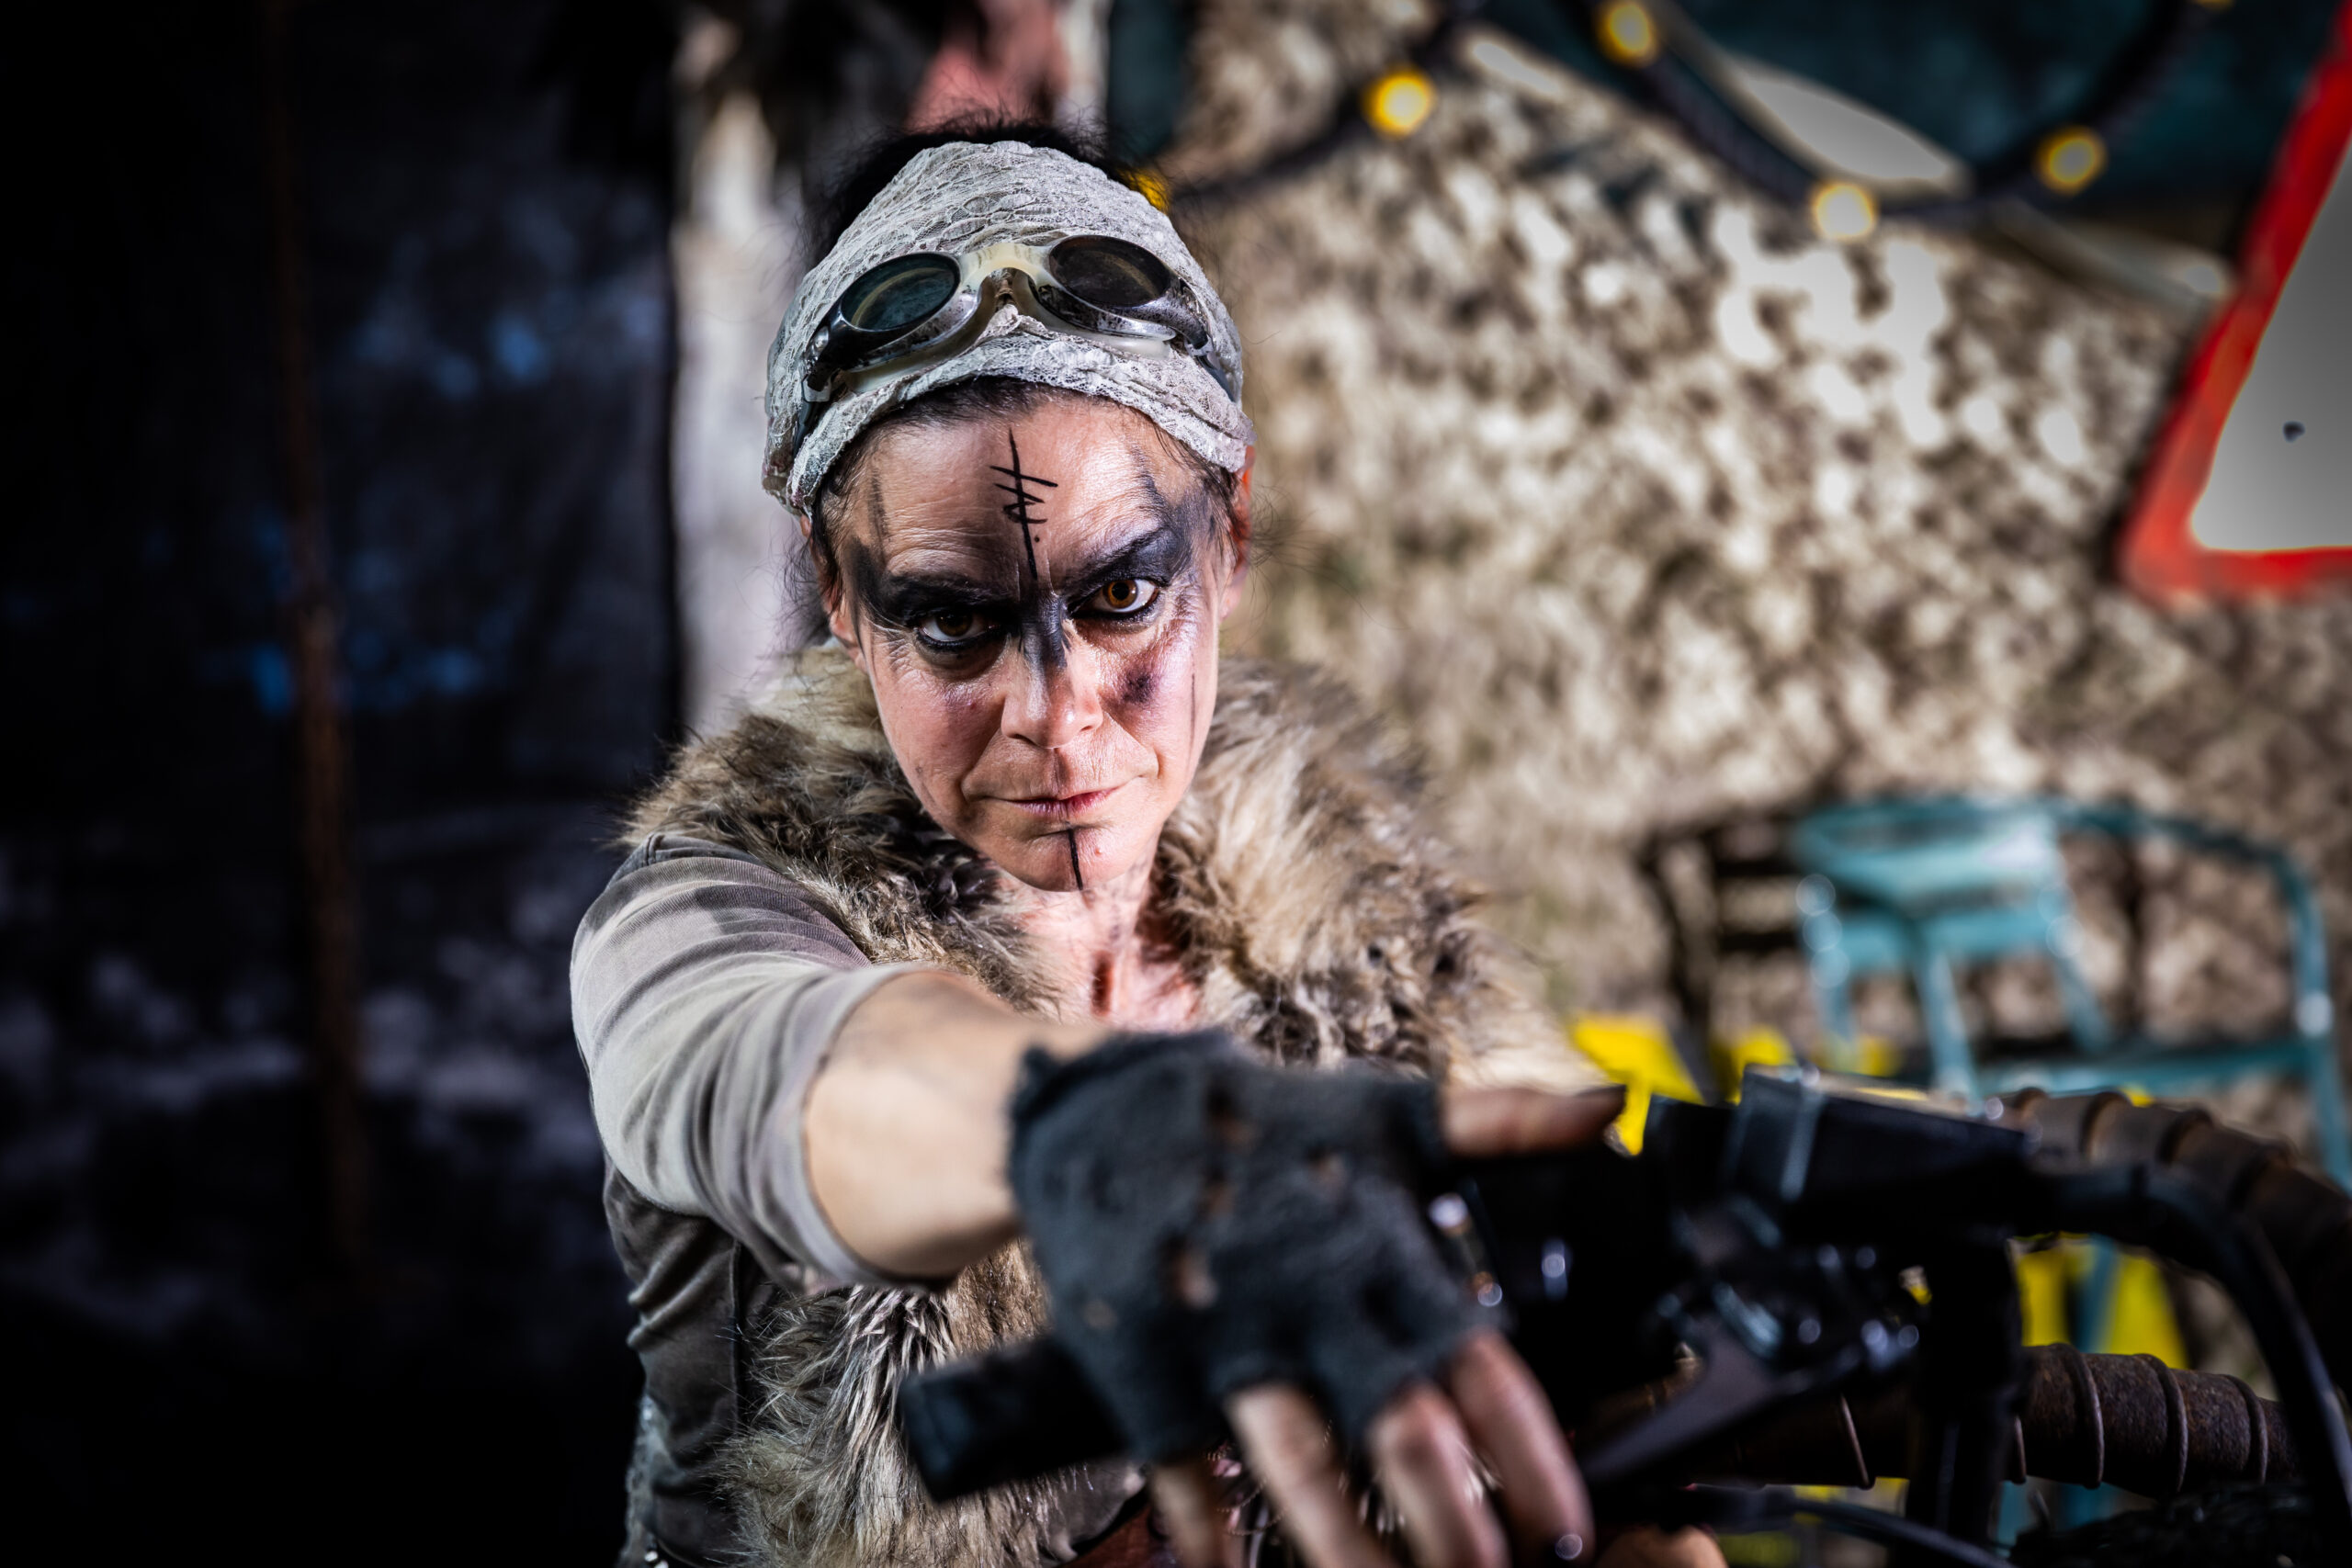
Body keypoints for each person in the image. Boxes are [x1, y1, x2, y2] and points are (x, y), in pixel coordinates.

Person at [571, 122, 1722, 1568]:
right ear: (837, 593)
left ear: (1226, 537)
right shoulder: (709, 912)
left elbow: (1609, 1456)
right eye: (953, 620)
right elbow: (789, 1071)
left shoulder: (1370, 935)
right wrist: (1092, 1134)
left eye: (1121, 596)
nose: (1056, 714)